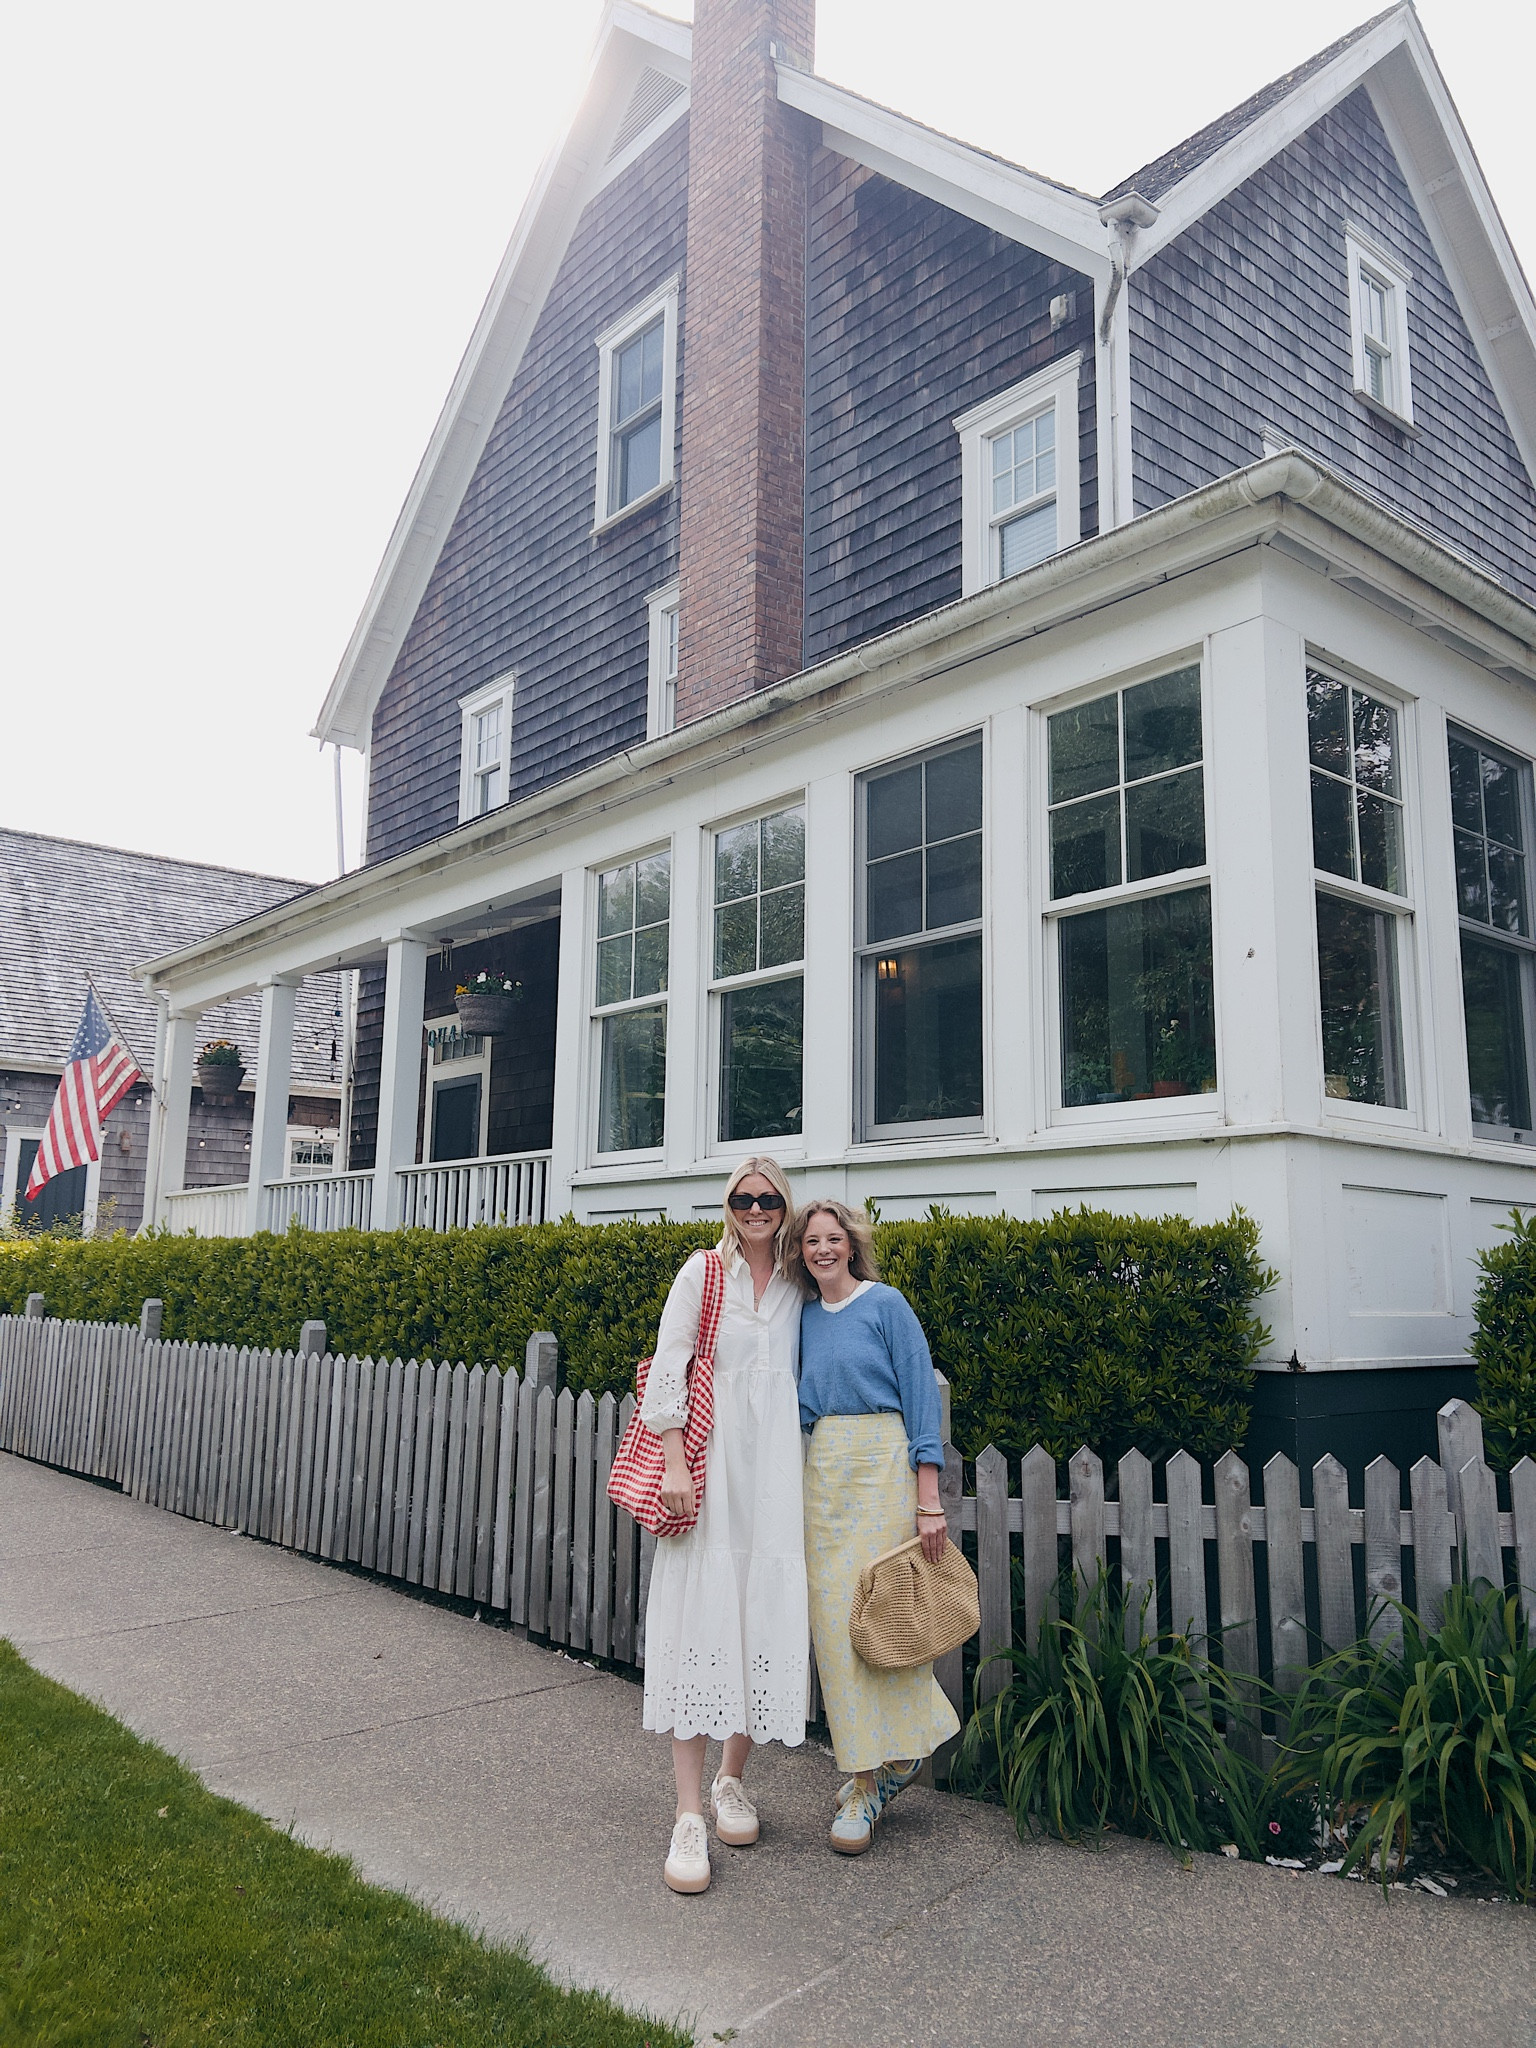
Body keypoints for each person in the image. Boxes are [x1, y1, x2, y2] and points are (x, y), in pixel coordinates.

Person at [641, 1156, 808, 1894]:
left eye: (769, 1198)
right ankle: (687, 1815)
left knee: (756, 1616)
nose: (756, 1208)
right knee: (702, 1625)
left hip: (774, 1480)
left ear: (784, 1205)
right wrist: (675, 1463)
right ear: (729, 1204)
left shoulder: (802, 1282)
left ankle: (732, 1781)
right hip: (710, 1475)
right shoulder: (704, 1272)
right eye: (744, 1197)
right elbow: (667, 1368)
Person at [792, 1198, 960, 1854]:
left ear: (851, 1244)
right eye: (812, 1241)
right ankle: (883, 1762)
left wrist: (928, 1499)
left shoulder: (886, 1304)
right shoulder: (803, 1317)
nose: (823, 1249)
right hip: (824, 1471)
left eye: (834, 1238)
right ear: (800, 1252)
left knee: (879, 1617)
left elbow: (921, 1397)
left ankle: (874, 1778)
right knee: (836, 1628)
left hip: (883, 1467)